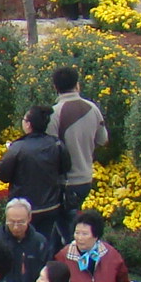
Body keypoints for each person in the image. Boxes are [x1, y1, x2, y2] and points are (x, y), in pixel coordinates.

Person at [0, 106, 66, 247]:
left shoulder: (18, 148)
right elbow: (65, 167)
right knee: (44, 244)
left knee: (20, 244)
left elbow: (3, 175)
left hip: (24, 207)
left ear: (28, 124)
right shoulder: (56, 144)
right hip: (51, 205)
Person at [50, 67, 105, 236]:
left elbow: (50, 149)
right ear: (77, 85)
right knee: (72, 229)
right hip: (85, 177)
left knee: (68, 232)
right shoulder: (92, 108)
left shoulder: (55, 113)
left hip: (64, 183)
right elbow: (103, 139)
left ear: (55, 87)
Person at [56, 210, 133, 282]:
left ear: (96, 236)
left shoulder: (111, 255)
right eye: (77, 233)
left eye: (85, 234)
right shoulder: (63, 256)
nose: (79, 238)